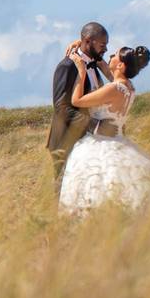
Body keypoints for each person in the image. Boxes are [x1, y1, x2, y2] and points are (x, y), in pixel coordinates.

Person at [58, 44, 150, 216]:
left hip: (100, 142)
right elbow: (112, 76)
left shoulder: (114, 88)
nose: (111, 55)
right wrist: (83, 44)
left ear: (121, 65)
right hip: (119, 140)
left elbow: (77, 101)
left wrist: (81, 71)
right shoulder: (128, 87)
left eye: (115, 55)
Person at [46, 22, 111, 195]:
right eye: (103, 45)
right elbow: (61, 108)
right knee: (65, 191)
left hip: (91, 139)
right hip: (67, 139)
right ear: (89, 41)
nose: (105, 49)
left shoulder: (94, 64)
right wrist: (94, 125)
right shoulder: (67, 66)